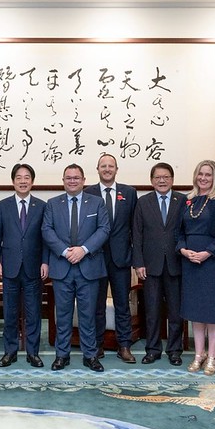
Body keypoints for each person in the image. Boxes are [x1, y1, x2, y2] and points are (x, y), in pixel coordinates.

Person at [43, 164, 110, 372]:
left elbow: (104, 229)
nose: (72, 181)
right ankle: (62, 355)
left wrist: (83, 250)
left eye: (76, 178)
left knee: (88, 315)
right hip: (62, 267)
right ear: (63, 181)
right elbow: (46, 230)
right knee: (62, 315)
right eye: (68, 178)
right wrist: (65, 252)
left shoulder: (97, 203)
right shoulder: (52, 204)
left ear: (83, 180)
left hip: (88, 266)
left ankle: (90, 355)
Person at [177, 160, 215, 375]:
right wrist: (183, 250)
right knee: (196, 309)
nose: (203, 178)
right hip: (190, 261)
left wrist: (208, 252)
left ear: (214, 177)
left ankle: (212, 355)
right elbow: (179, 232)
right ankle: (198, 354)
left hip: (213, 261)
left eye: (208, 174)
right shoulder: (187, 200)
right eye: (200, 174)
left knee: (212, 309)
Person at [0, 163, 49, 368]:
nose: (23, 181)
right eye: (19, 177)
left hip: (34, 267)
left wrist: (45, 261)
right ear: (13, 181)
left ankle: (33, 353)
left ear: (32, 181)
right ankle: (10, 352)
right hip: (9, 267)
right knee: (10, 313)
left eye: (27, 178)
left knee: (34, 313)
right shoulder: (2, 206)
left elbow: (46, 238)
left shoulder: (42, 206)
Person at [84, 154, 137, 363]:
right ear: (97, 169)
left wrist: (135, 257)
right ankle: (97, 345)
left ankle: (124, 346)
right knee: (96, 305)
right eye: (103, 166)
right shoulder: (88, 193)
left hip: (121, 259)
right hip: (95, 258)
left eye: (111, 166)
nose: (107, 169)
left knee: (122, 304)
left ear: (116, 169)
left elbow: (135, 227)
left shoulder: (129, 193)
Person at [132, 162, 186, 366]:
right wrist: (138, 263)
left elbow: (187, 230)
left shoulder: (183, 200)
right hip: (150, 265)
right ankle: (153, 350)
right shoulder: (143, 202)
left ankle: (174, 350)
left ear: (172, 179)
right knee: (152, 312)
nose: (162, 180)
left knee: (176, 312)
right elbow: (137, 234)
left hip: (176, 264)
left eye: (166, 177)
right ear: (151, 180)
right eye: (157, 177)